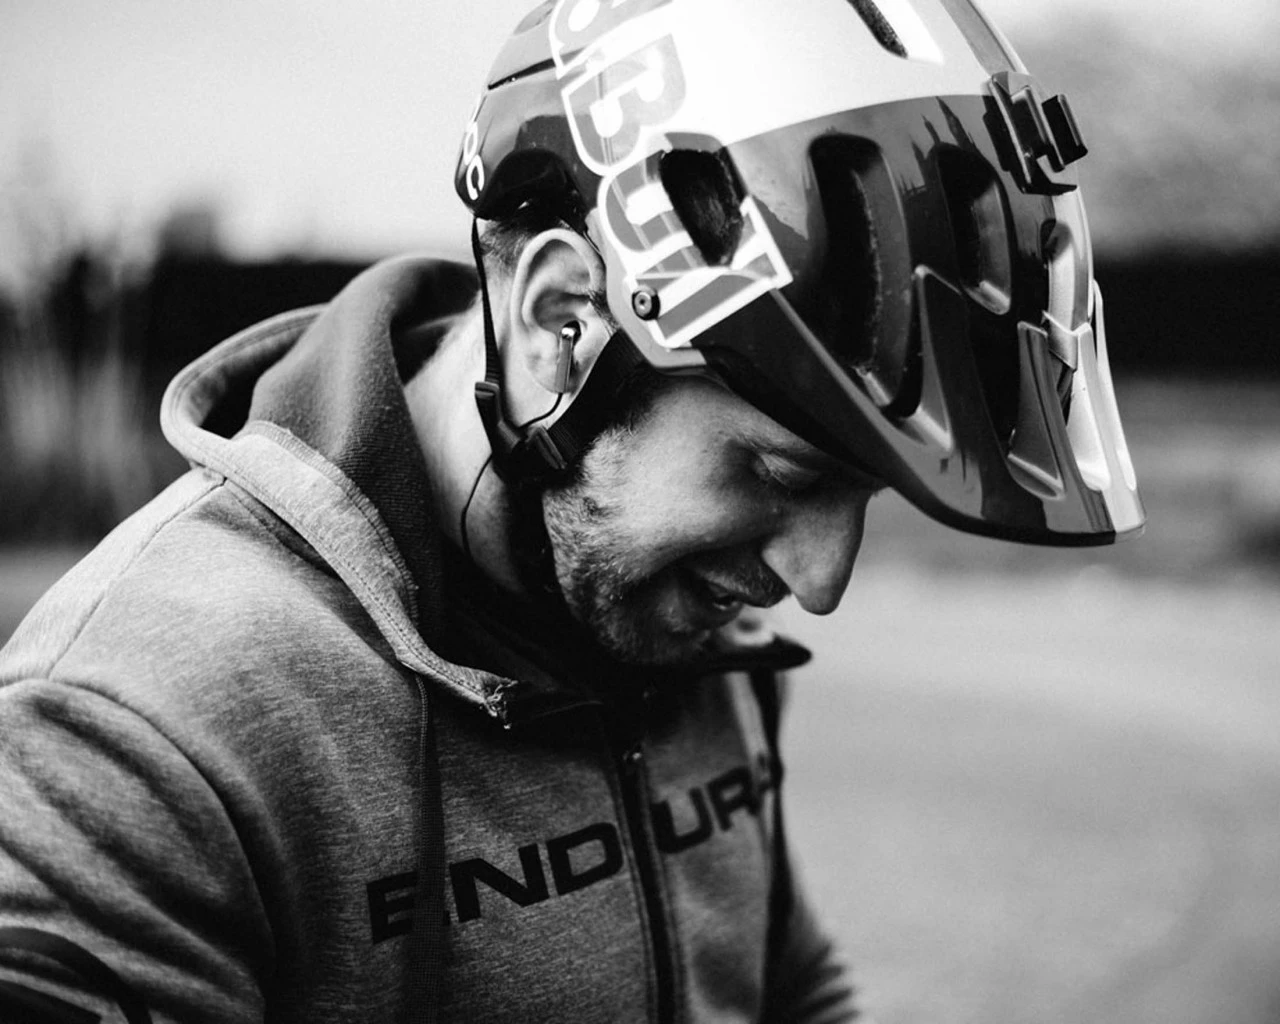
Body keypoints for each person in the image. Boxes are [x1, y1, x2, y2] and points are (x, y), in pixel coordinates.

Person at [0, 0, 1145, 1021]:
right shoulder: (133, 736)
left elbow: (778, 981)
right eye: (786, 474)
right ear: (563, 323)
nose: (817, 582)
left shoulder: (665, 601)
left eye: (869, 492)